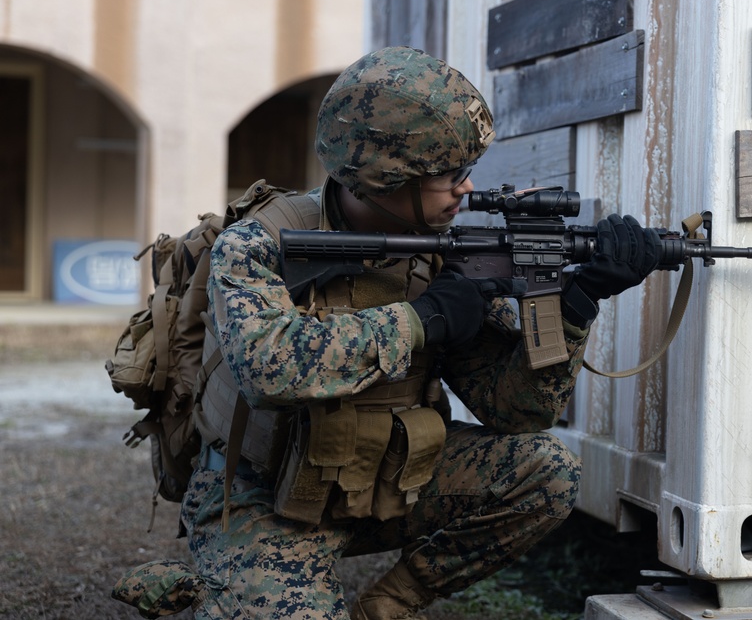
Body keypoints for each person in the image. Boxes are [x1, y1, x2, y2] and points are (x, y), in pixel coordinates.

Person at [113, 46, 660, 619]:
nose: (467, 190)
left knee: (547, 471)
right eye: (449, 176)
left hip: (387, 481)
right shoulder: (261, 244)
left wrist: (577, 302)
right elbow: (266, 369)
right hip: (262, 495)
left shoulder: (444, 256)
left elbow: (518, 412)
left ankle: (390, 603)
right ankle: (221, 581)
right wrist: (422, 321)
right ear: (384, 176)